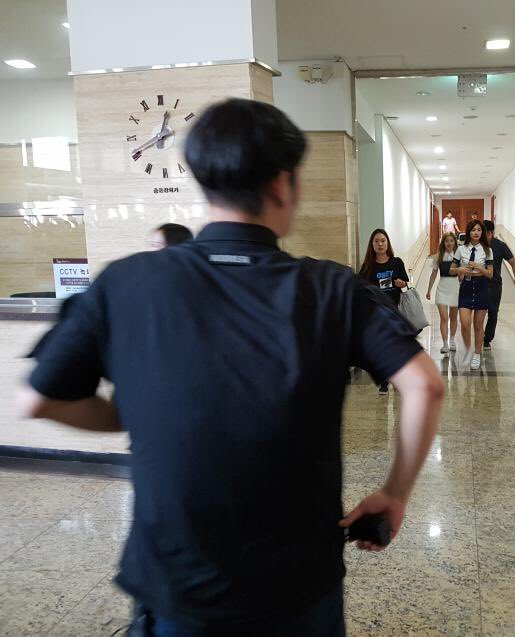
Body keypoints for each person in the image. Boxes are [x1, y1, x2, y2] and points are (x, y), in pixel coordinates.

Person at [16, 98, 444, 637]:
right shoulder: (331, 288)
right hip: (298, 585)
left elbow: (37, 399)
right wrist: (394, 494)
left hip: (177, 587)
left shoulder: (126, 282)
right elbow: (424, 386)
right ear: (283, 184)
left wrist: (129, 415)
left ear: (203, 178)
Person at [358, 229, 410, 394]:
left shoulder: (396, 262)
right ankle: (384, 380)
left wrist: (401, 283)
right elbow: (360, 287)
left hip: (395, 310)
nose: (380, 244)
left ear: (387, 243)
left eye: (383, 241)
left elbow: (405, 281)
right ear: (372, 245)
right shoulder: (368, 266)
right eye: (376, 241)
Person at [450, 220, 493, 371]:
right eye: (473, 230)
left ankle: (476, 354)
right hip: (466, 288)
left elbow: (490, 274)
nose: (476, 232)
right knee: (465, 323)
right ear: (468, 232)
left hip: (481, 287)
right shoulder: (461, 249)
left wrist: (479, 267)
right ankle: (468, 350)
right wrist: (461, 269)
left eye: (479, 230)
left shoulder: (487, 250)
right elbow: (451, 270)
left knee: (478, 326)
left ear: (482, 232)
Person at [483, 220, 515, 349]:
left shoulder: (500, 245)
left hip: (494, 285)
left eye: (483, 232)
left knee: (493, 313)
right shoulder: (477, 245)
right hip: (479, 284)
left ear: (490, 233)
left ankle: (487, 339)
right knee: (478, 313)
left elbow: (513, 262)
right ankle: (479, 336)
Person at [425, 232, 460, 355]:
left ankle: (452, 340)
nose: (449, 243)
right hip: (442, 289)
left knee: (453, 317)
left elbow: (462, 274)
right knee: (444, 317)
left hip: (455, 288)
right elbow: (434, 274)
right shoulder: (438, 256)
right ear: (443, 243)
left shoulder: (459, 256)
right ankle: (445, 344)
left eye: (451, 241)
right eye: (446, 241)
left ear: (455, 242)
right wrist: (429, 290)